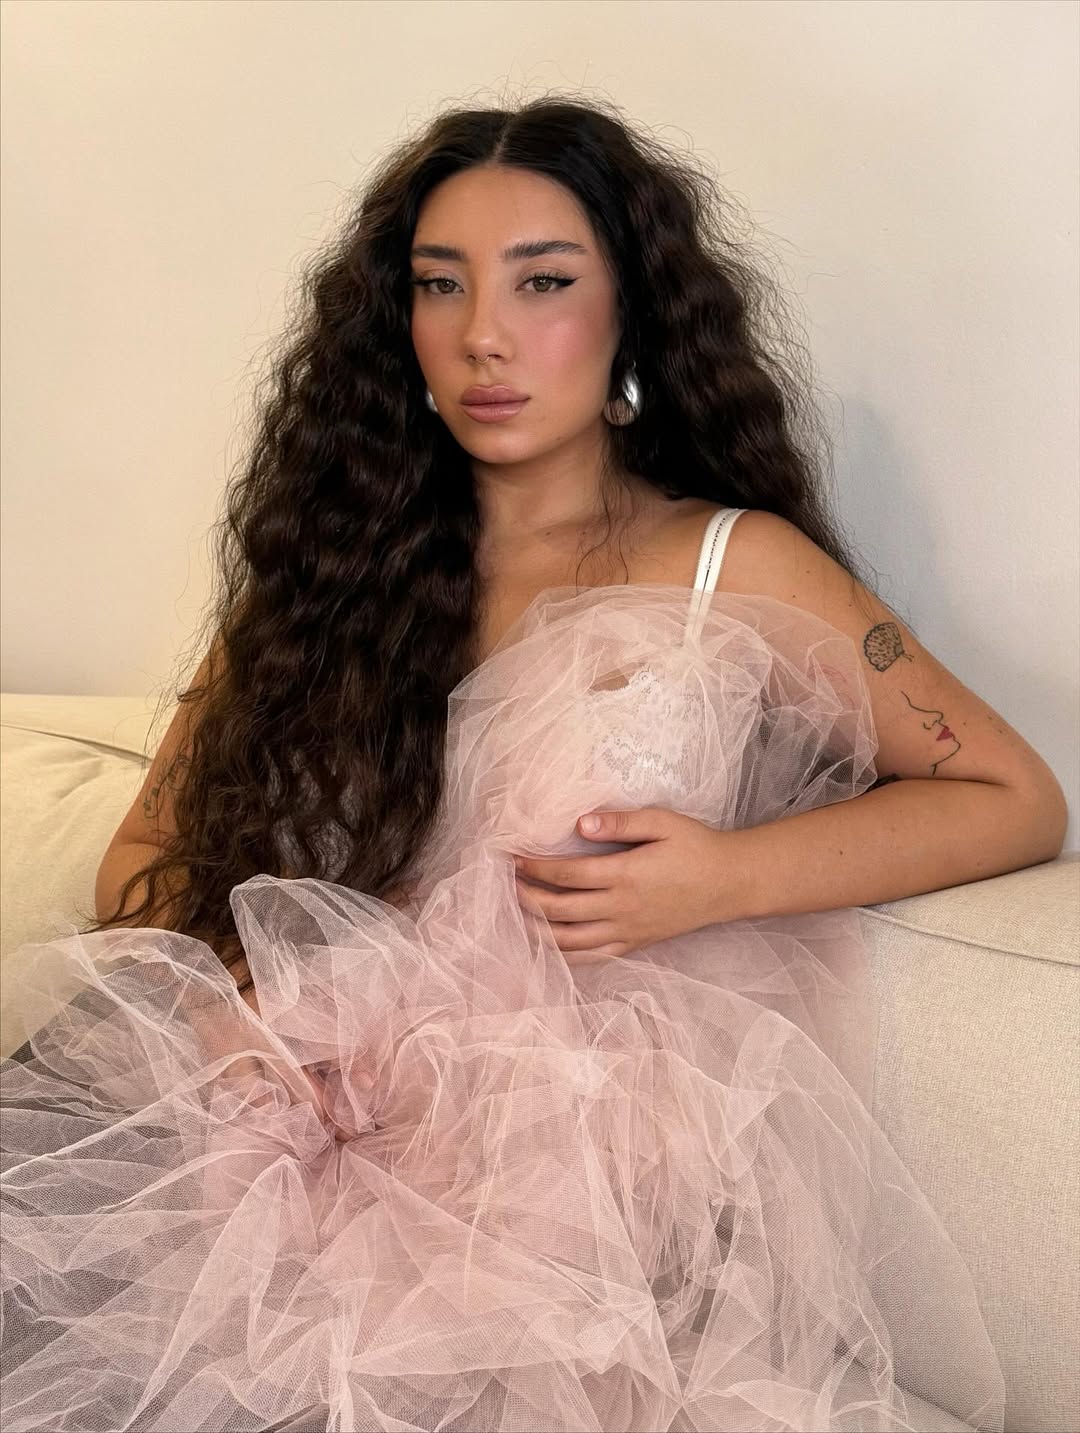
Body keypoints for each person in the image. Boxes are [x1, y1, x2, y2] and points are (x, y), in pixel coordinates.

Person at [0, 95, 1066, 1433]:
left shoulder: (733, 565)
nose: (485, 336)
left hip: (540, 1183)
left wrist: (725, 878)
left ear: (632, 313)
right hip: (280, 1119)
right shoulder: (324, 578)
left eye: (544, 282)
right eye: (439, 286)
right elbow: (145, 855)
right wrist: (240, 1004)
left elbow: (1013, 796)